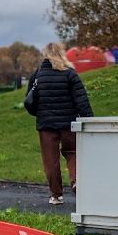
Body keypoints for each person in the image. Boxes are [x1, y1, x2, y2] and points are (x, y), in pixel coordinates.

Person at [25, 43, 94, 205]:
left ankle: (56, 195)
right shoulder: (70, 74)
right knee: (72, 152)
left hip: (46, 125)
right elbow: (81, 101)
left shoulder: (37, 75)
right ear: (62, 54)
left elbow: (29, 101)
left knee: (51, 160)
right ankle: (76, 180)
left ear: (45, 55)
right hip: (69, 123)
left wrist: (39, 114)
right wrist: (89, 120)